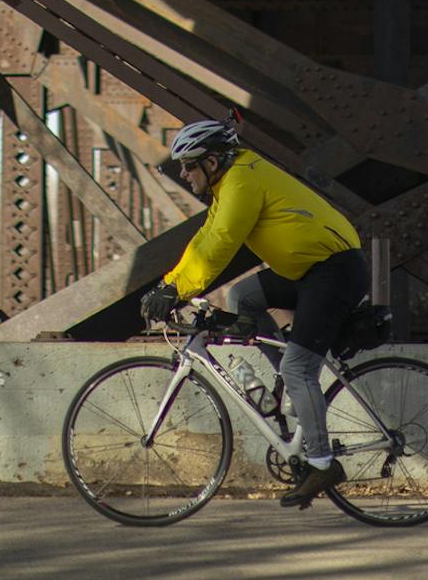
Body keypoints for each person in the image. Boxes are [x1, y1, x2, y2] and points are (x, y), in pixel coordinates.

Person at [139, 117, 366, 509]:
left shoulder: (243, 180)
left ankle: (322, 463)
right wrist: (168, 284)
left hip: (334, 271)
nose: (184, 174)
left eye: (189, 165)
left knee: (299, 368)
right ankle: (291, 388)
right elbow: (202, 243)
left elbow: (223, 243)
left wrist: (177, 290)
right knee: (243, 295)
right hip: (309, 270)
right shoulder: (229, 183)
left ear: (212, 162)